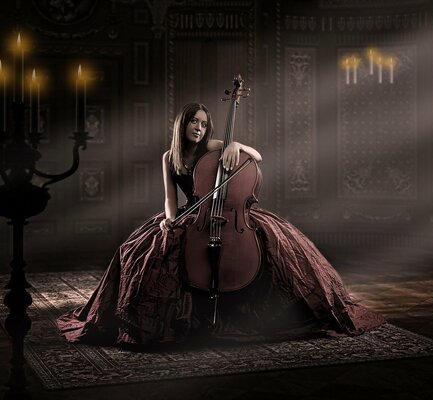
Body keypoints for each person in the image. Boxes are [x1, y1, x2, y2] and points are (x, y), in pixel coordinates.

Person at [57, 102, 385, 346]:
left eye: (203, 123)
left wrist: (236, 145)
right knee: (135, 252)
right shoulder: (168, 157)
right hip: (191, 214)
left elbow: (256, 157)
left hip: (230, 212)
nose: (199, 128)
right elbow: (171, 199)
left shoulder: (212, 146)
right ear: (182, 125)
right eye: (193, 123)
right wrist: (170, 222)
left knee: (279, 248)